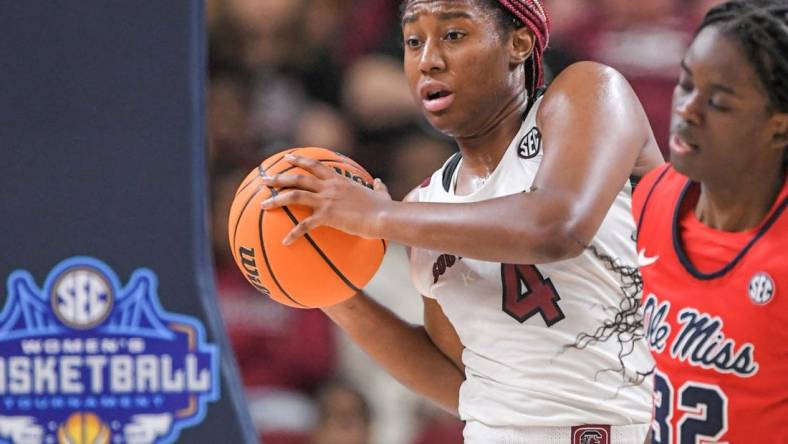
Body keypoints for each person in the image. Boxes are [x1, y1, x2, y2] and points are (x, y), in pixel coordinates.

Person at [260, 0, 664, 442]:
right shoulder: (425, 206)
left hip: (629, 428)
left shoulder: (590, 93)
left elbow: (558, 226)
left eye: (453, 35)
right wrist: (328, 288)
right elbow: (461, 382)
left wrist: (380, 215)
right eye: (414, 42)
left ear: (519, 42)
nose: (428, 60)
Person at [632, 1, 788, 442]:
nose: (688, 110)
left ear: (779, 127)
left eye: (717, 102)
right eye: (685, 84)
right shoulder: (652, 198)